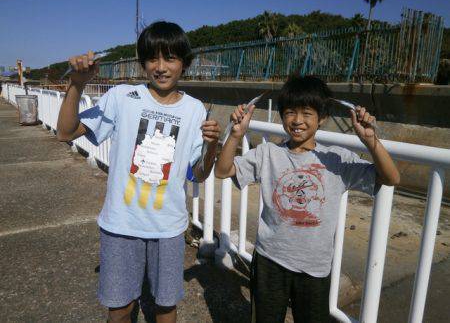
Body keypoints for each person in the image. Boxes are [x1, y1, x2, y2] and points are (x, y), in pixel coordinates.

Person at [56, 21, 220, 323]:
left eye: (170, 58)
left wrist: (212, 147)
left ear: (184, 63)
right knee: (119, 310)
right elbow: (66, 132)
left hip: (168, 228)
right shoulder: (121, 97)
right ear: (143, 62)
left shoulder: (195, 109)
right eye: (152, 58)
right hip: (120, 224)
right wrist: (77, 84)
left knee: (166, 308)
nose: (160, 67)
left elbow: (198, 174)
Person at [214, 75, 400, 323]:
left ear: (322, 118)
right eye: (290, 112)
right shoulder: (268, 153)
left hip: (316, 269)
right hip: (270, 261)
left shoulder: (336, 160)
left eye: (307, 113)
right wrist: (236, 134)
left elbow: (391, 178)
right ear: (281, 116)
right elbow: (223, 170)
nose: (297, 120)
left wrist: (370, 140)